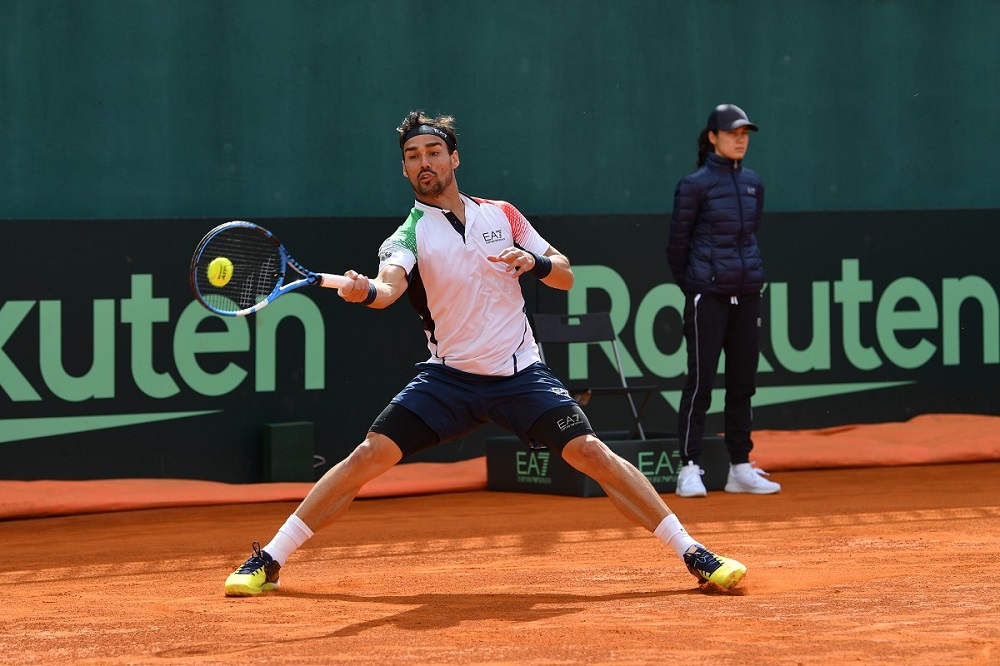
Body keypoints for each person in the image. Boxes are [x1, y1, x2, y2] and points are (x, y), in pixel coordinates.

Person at [224, 109, 746, 596]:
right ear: (404, 170)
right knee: (368, 455)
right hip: (448, 381)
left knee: (592, 454)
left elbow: (564, 273)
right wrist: (365, 291)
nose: (423, 162)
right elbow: (387, 290)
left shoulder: (503, 214)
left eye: (432, 151)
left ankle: (694, 553)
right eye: (412, 156)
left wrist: (533, 263)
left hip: (520, 376)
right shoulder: (407, 234)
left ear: (453, 159)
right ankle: (269, 559)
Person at [667, 103, 781, 498]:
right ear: (713, 137)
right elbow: (676, 248)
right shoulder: (694, 185)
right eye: (732, 133)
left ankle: (740, 467)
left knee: (743, 383)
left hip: (748, 295)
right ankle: (689, 467)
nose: (740, 139)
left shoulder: (754, 183)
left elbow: (750, 236)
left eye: (745, 133)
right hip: (708, 296)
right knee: (700, 383)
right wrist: (699, 286)